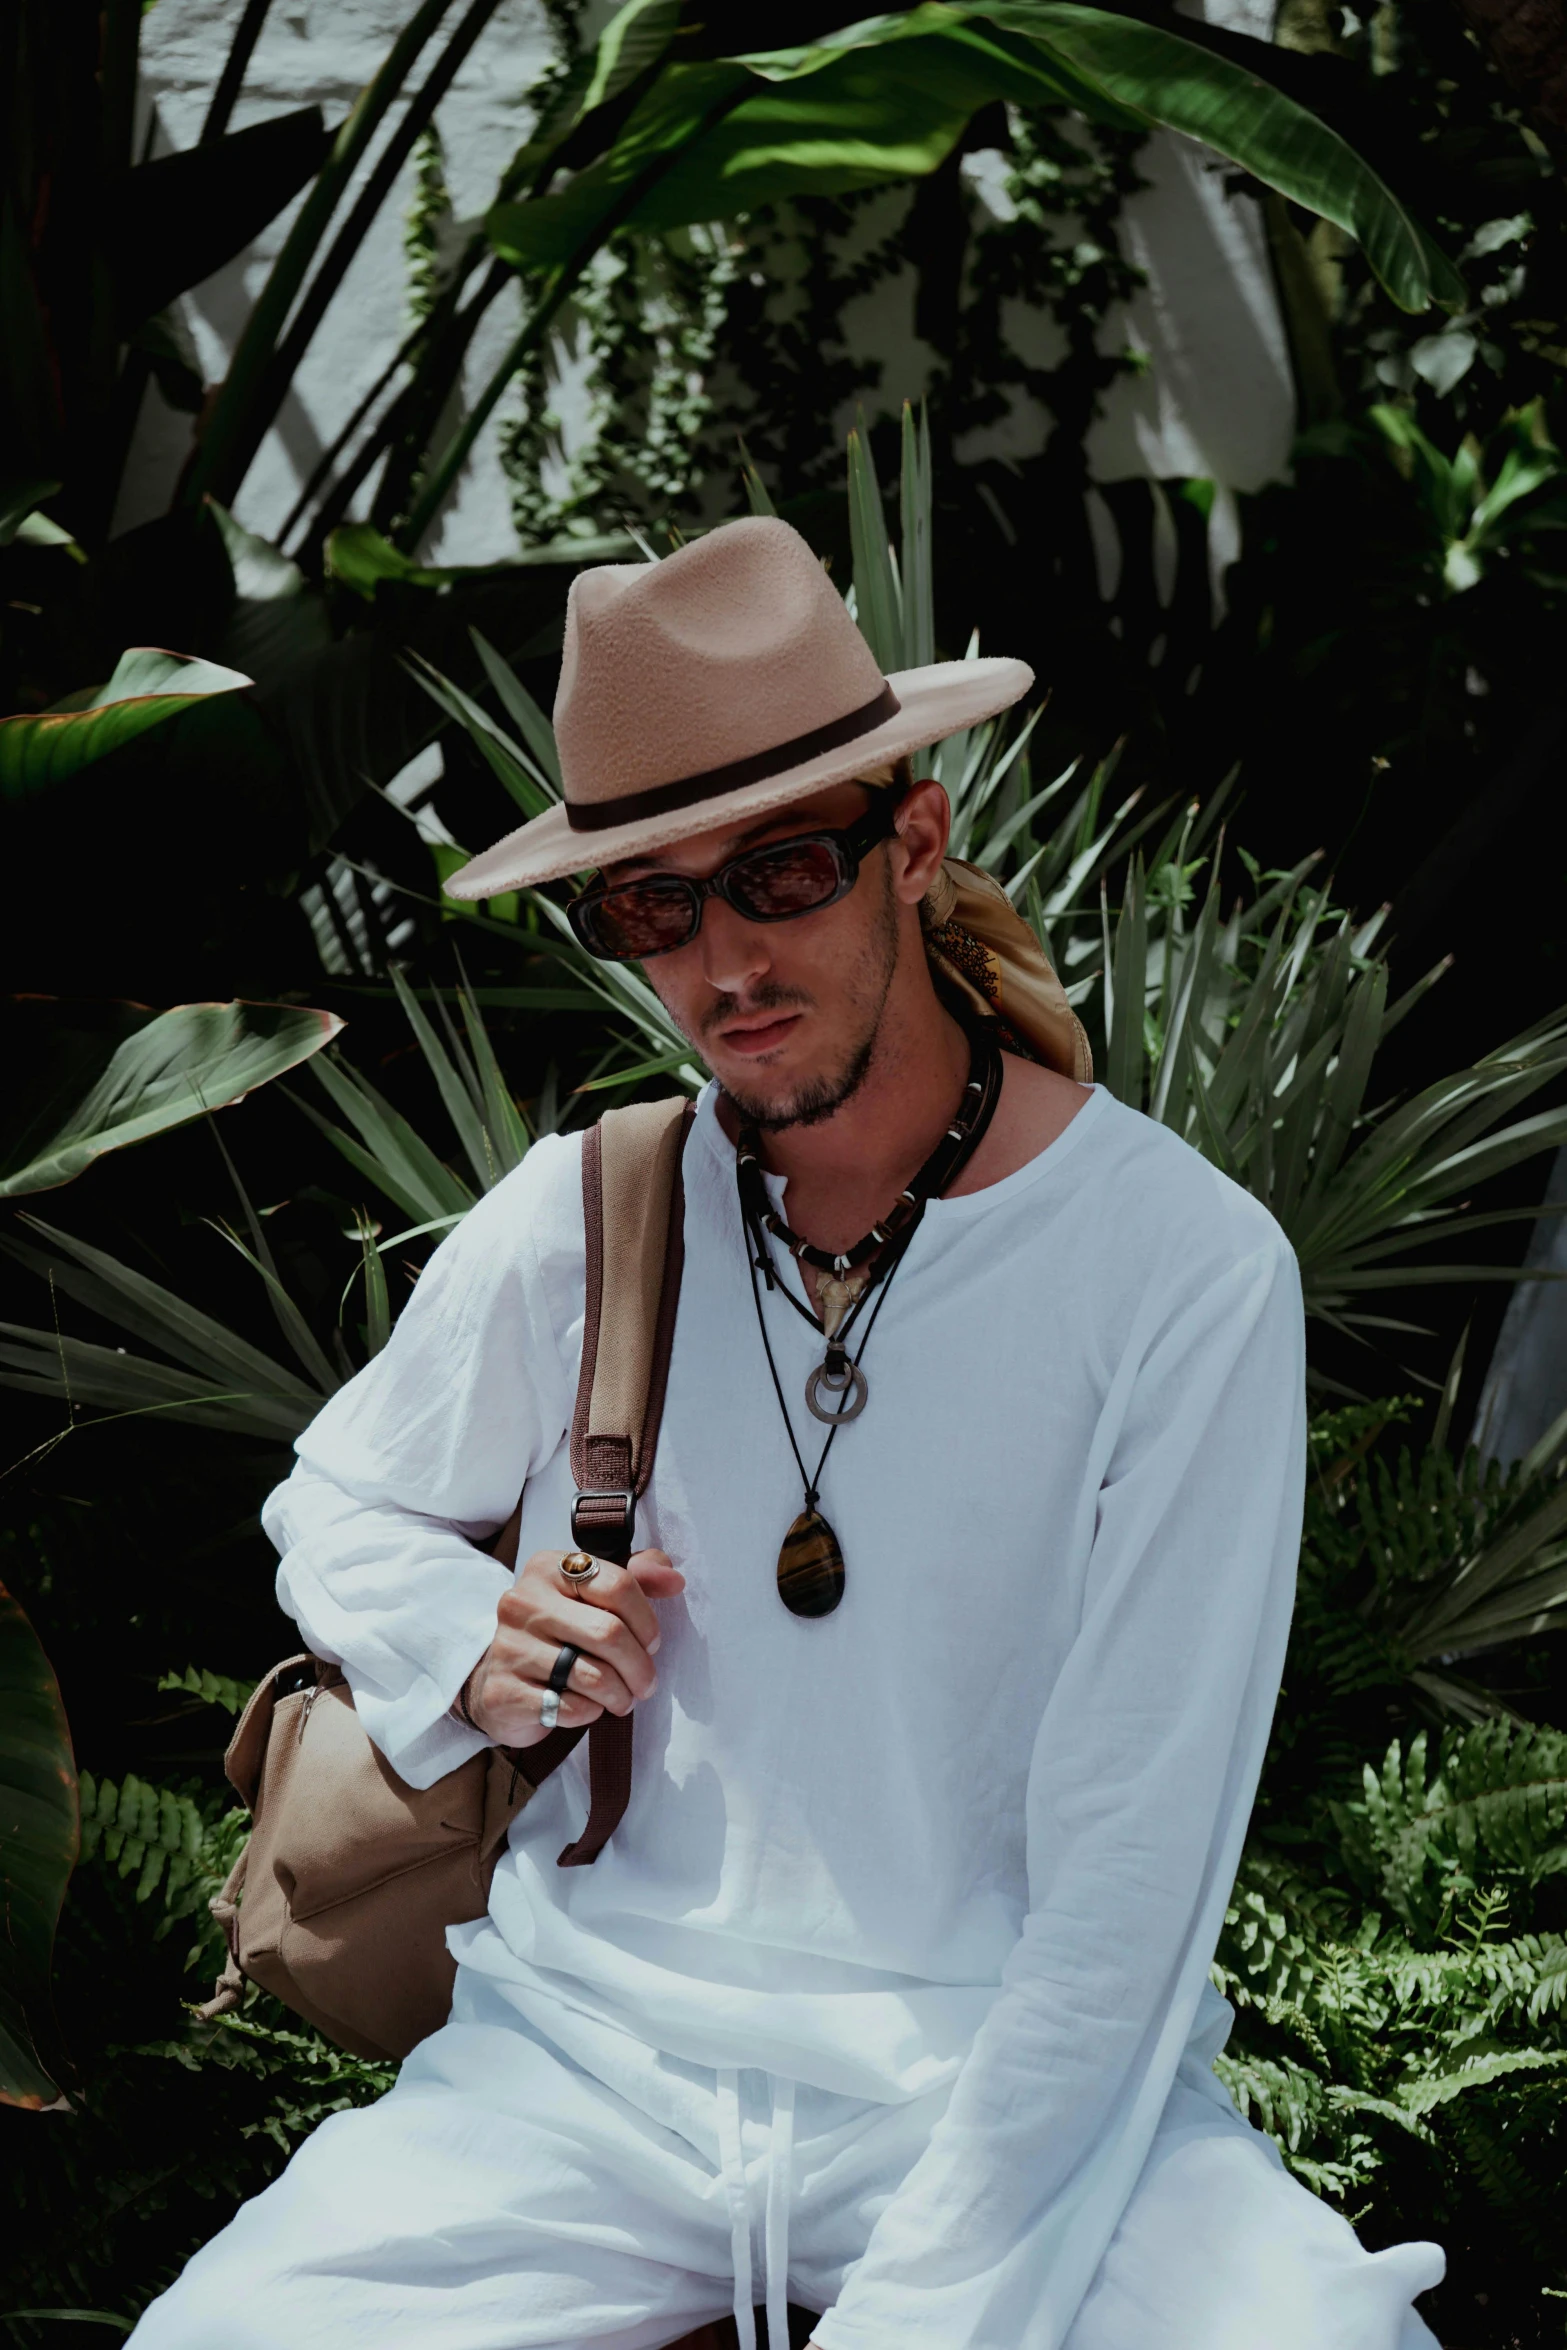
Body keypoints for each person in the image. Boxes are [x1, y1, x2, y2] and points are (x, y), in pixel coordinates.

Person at [131, 518, 1444, 2350]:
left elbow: (1128, 1877)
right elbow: (338, 1496)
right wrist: (466, 1642)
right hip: (587, 2069)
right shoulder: (589, 1213)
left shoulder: (1176, 1270)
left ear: (910, 847)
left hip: (996, 2080)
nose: (723, 957)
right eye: (652, 903)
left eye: (779, 873)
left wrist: (925, 2311)